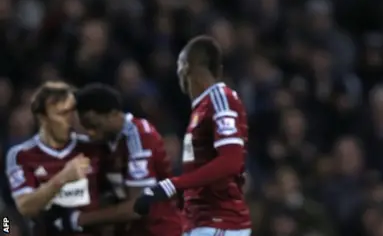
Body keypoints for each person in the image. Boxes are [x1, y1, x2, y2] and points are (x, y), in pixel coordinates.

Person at [133, 35, 251, 236]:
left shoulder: (220, 98)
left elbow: (231, 160)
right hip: (201, 222)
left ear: (185, 67)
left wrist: (173, 185)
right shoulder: (201, 109)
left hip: (219, 223)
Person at [47, 83, 184, 235]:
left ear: (113, 114)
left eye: (94, 125)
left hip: (160, 230)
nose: (91, 133)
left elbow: (138, 208)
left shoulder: (138, 137)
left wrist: (81, 219)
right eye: (86, 127)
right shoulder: (106, 140)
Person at [4, 81, 107, 235]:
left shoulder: (94, 149)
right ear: (42, 117)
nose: (70, 120)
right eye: (62, 113)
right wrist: (62, 178)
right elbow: (24, 206)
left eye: (72, 112)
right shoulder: (21, 154)